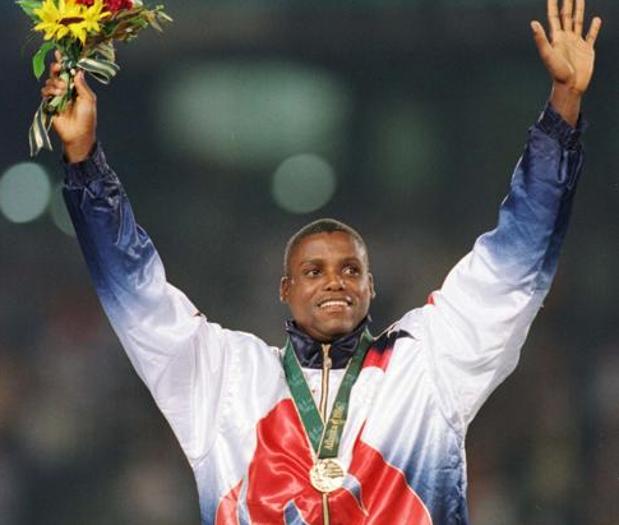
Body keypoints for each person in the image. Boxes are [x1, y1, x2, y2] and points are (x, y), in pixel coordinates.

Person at [42, 1, 601, 523]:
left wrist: (563, 108)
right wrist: (84, 161)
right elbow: (139, 294)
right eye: (314, 271)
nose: (335, 281)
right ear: (283, 288)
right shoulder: (227, 380)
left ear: (372, 288)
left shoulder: (427, 365)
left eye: (351, 269)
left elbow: (515, 259)